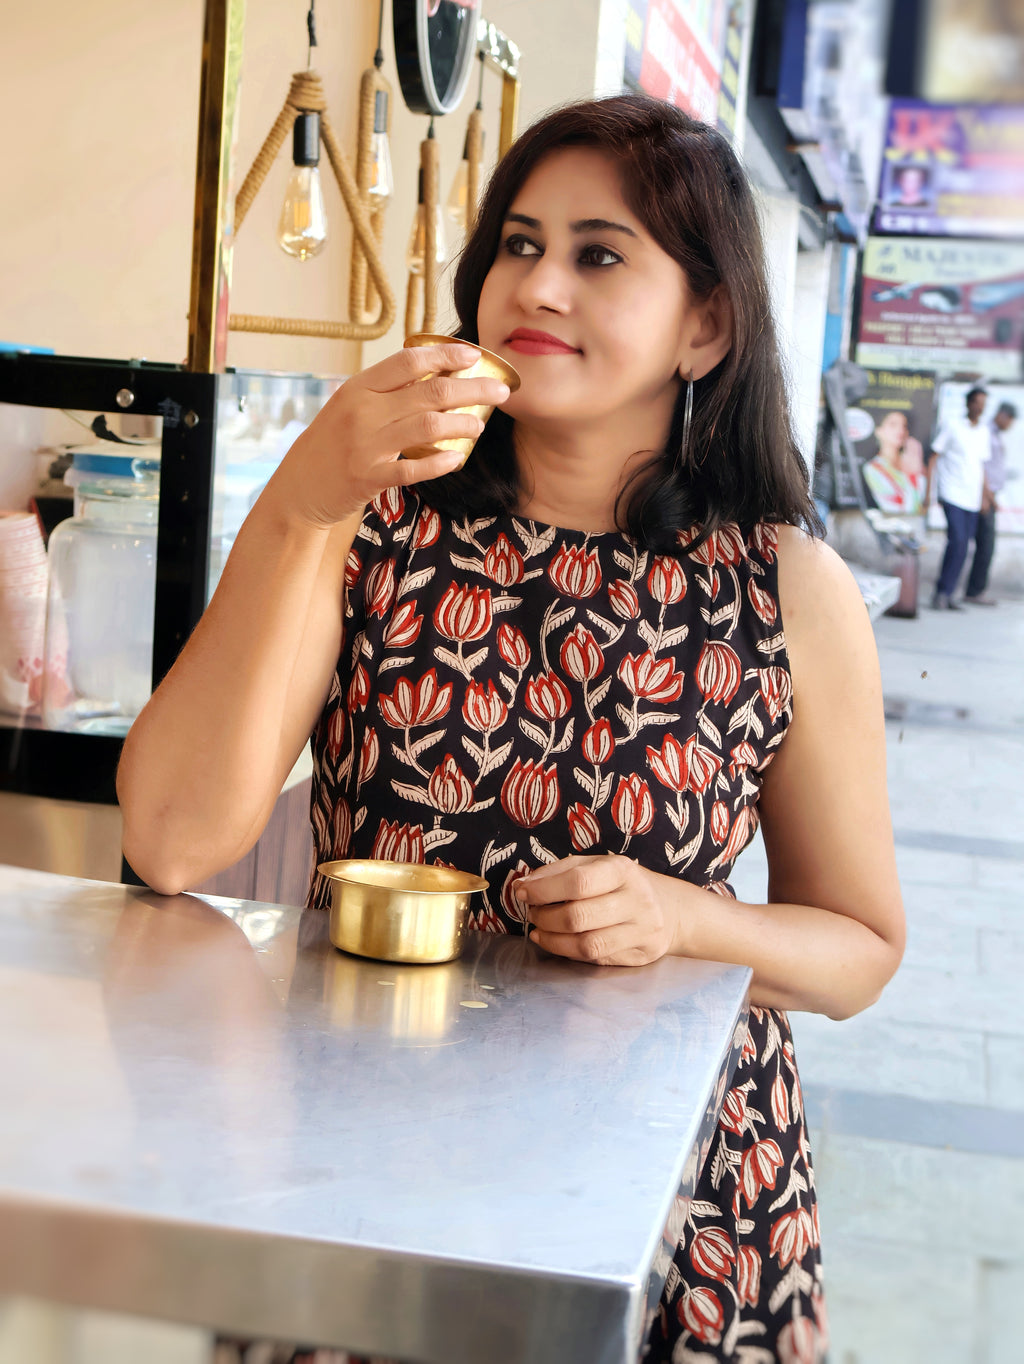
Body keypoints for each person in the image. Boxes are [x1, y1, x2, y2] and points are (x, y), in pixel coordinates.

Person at [117, 95, 905, 1364]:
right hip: (364, 1163)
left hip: (675, 1194)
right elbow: (165, 837)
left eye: (599, 253)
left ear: (706, 323)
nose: (536, 282)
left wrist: (683, 918)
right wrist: (303, 501)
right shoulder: (377, 526)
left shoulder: (783, 585)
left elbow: (858, 948)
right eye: (517, 245)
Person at [927, 386, 990, 609]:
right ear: (968, 403)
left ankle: (948, 593)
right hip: (951, 493)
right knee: (958, 541)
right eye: (977, 402)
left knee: (964, 547)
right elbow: (933, 457)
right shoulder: (953, 426)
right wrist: (929, 493)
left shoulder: (983, 431)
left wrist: (984, 496)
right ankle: (942, 593)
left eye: (983, 404)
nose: (980, 408)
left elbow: (981, 465)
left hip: (971, 498)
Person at [964, 401, 1017, 605]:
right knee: (985, 545)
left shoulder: (993, 433)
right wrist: (986, 497)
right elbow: (981, 465)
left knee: (984, 545)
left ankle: (974, 590)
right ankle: (974, 591)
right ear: (1003, 416)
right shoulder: (986, 432)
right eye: (1010, 421)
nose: (1009, 425)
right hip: (983, 496)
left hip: (988, 495)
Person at [862, 409, 926, 515]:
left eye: (904, 426)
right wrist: (911, 474)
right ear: (879, 431)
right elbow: (900, 508)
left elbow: (925, 503)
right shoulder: (873, 468)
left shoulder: (914, 461)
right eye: (893, 425)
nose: (900, 430)